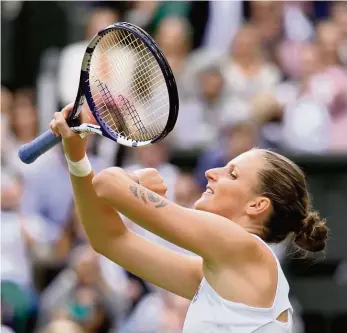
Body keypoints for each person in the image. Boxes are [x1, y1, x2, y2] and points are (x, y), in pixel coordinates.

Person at [49, 103, 329, 333]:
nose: (211, 173)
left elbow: (108, 185)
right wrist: (77, 158)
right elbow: (108, 239)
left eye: (232, 174)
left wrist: (133, 179)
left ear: (257, 205)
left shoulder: (245, 247)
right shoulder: (214, 272)